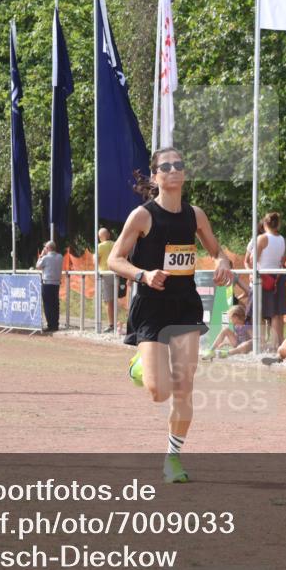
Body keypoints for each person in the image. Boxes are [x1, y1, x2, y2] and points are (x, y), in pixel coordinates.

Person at [107, 147, 232, 484]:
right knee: (158, 391)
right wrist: (143, 275)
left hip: (185, 305)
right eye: (167, 166)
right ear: (155, 176)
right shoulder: (142, 216)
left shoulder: (196, 215)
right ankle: (140, 365)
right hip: (151, 305)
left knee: (184, 386)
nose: (174, 170)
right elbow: (114, 259)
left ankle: (172, 458)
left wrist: (222, 262)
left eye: (179, 164)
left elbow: (217, 250)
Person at [256, 212, 286, 351]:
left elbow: (253, 260)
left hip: (264, 277)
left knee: (260, 312)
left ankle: (261, 344)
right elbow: (283, 259)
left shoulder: (262, 238)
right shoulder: (282, 239)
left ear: (264, 224)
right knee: (277, 313)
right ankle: (276, 344)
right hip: (278, 277)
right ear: (278, 224)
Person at [36, 241, 63, 333]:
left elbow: (38, 266)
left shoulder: (45, 258)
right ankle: (55, 324)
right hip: (56, 284)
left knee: (47, 305)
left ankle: (50, 325)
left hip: (47, 283)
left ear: (48, 248)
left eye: (45, 248)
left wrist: (41, 255)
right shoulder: (60, 257)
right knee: (55, 304)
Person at [96, 228, 117, 332]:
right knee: (116, 300)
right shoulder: (115, 244)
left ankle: (112, 324)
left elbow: (96, 261)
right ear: (108, 234)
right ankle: (118, 323)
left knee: (109, 302)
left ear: (100, 237)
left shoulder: (100, 246)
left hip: (105, 274)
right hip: (116, 274)